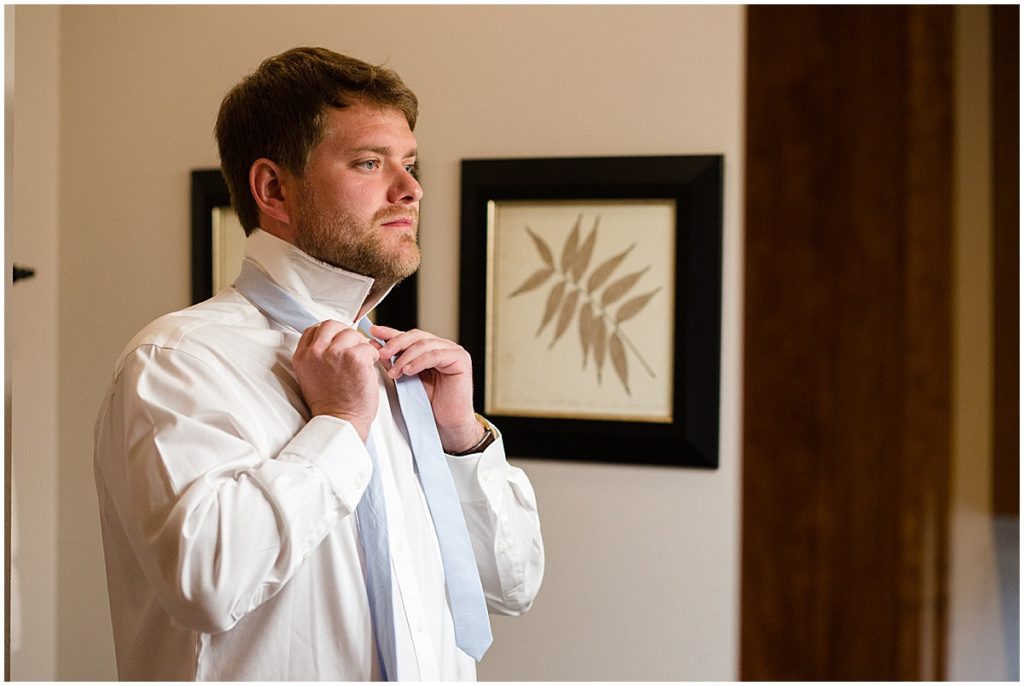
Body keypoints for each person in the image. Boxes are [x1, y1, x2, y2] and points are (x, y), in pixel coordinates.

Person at [93, 47, 544, 681]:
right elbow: (205, 583)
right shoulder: (175, 361)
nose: (411, 189)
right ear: (273, 188)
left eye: (410, 165)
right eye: (370, 162)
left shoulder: (404, 374)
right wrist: (338, 425)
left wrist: (462, 442)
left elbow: (510, 586)